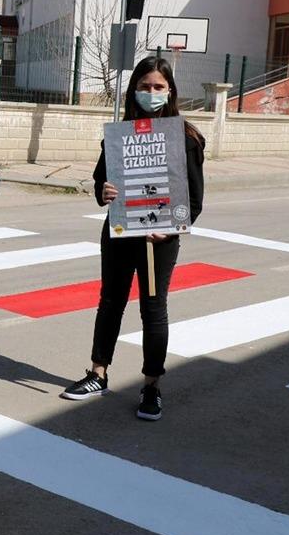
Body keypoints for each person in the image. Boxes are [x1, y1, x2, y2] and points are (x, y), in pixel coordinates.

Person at [61, 56, 205, 422]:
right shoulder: (122, 134)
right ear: (134, 90)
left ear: (170, 91)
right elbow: (99, 181)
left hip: (160, 238)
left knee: (153, 308)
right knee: (110, 302)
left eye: (158, 87)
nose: (151, 93)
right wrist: (104, 191)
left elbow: (194, 198)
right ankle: (98, 373)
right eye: (145, 87)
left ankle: (152, 386)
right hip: (121, 232)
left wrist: (171, 227)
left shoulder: (184, 137)